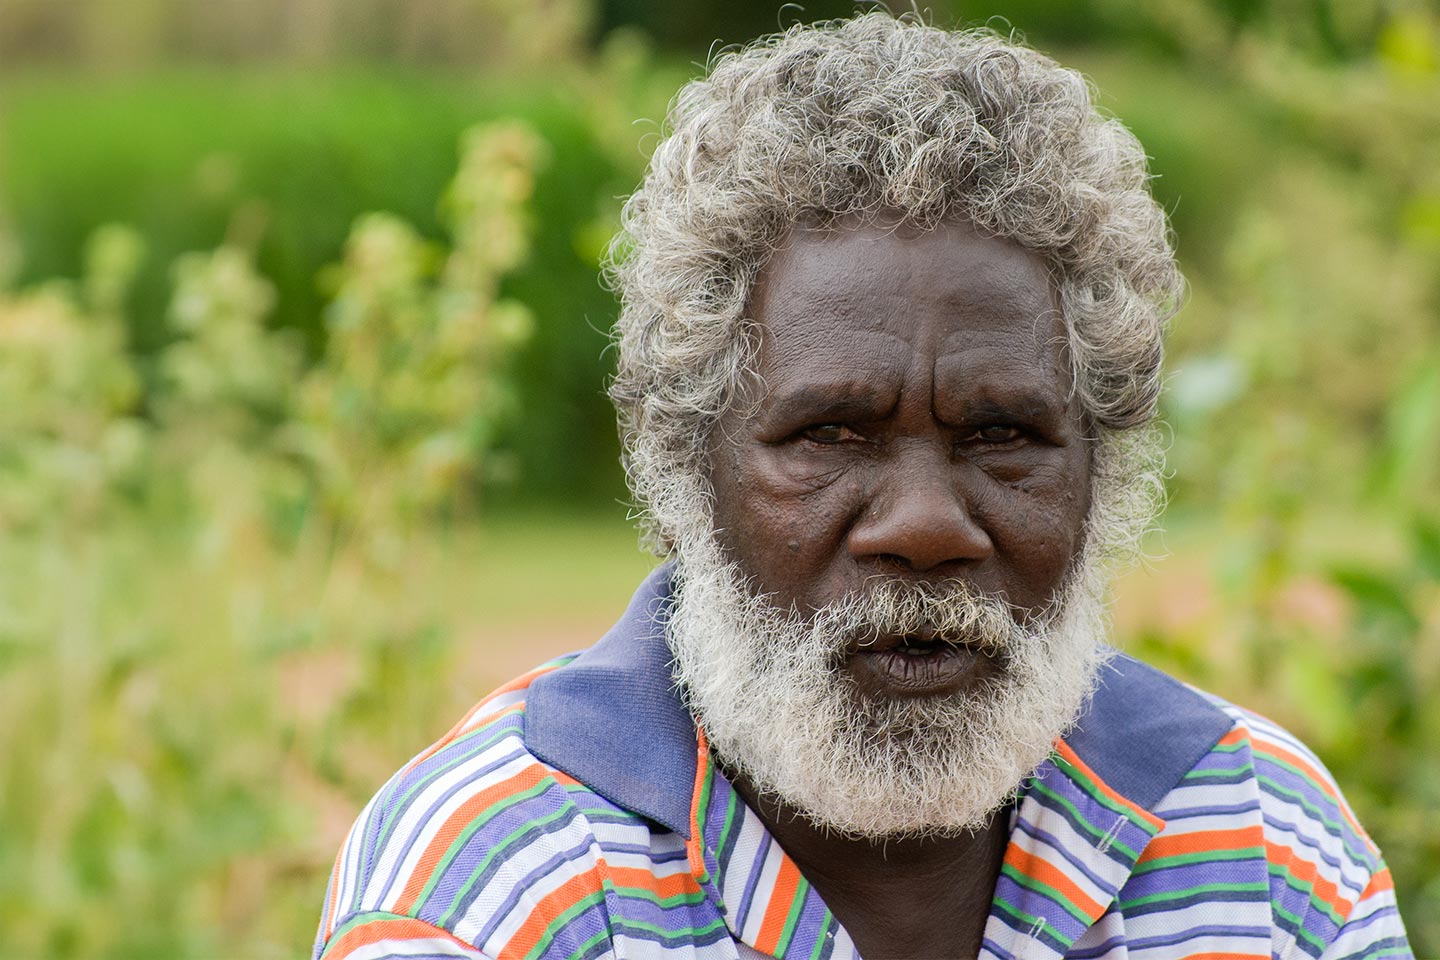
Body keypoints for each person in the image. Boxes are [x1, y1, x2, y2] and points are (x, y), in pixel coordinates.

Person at [312, 14, 1411, 959]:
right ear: (686, 468)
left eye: (1001, 435)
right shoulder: (495, 887)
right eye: (830, 434)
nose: (926, 527)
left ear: (1101, 471)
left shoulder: (1263, 852)